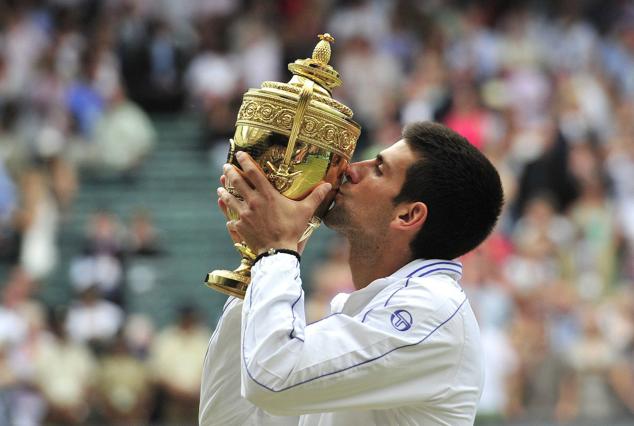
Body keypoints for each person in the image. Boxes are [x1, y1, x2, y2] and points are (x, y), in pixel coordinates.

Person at [200, 121, 504, 425]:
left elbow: (272, 378)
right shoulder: (368, 310)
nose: (350, 169)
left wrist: (277, 250)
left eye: (378, 168)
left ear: (409, 215)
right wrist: (257, 265)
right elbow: (227, 420)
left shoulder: (433, 309)